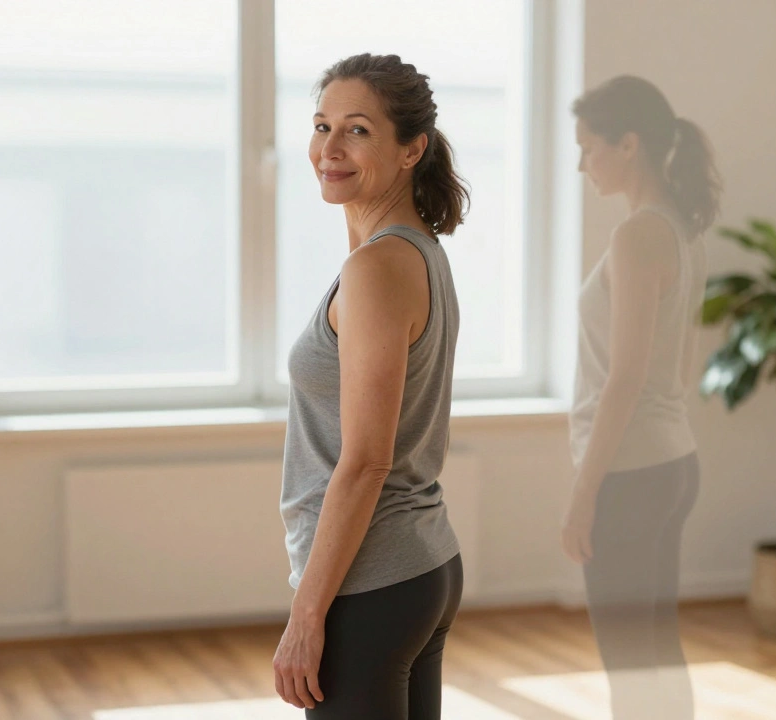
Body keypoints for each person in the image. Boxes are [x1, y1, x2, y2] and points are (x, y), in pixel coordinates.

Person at [274, 52, 470, 720]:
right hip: (419, 569)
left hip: (372, 583)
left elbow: (364, 461)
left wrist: (307, 615)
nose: (329, 148)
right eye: (322, 125)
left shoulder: (379, 267)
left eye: (356, 130)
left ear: (411, 149)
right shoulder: (416, 251)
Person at [562, 74, 723, 720]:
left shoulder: (635, 237)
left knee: (629, 661)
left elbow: (625, 377)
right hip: (674, 462)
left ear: (628, 145)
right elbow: (676, 366)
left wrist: (582, 495)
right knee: (656, 651)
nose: (582, 164)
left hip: (629, 476)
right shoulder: (683, 232)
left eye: (588, 147)